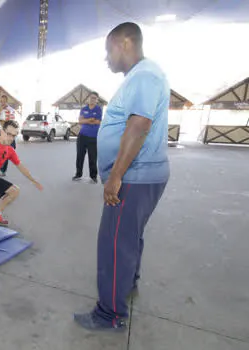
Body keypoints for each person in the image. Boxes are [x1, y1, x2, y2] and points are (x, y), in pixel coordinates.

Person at [73, 22, 170, 331]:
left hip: (134, 176)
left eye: (108, 50)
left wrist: (115, 176)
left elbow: (139, 125)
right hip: (143, 175)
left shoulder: (143, 75)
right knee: (129, 238)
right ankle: (127, 283)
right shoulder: (143, 76)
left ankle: (109, 314)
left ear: (123, 44)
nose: (106, 58)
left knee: (114, 243)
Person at [72, 91, 102, 183]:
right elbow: (80, 121)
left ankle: (93, 176)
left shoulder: (98, 109)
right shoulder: (83, 109)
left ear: (97, 100)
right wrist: (90, 120)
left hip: (93, 137)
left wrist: (85, 120)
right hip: (82, 136)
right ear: (88, 99)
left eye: (94, 98)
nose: (92, 99)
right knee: (80, 156)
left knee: (92, 157)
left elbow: (98, 122)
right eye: (91, 97)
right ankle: (78, 174)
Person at [0, 95, 17, 176]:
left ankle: (3, 170)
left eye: (4, 101)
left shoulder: (11, 110)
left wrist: (2, 121)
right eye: (1, 101)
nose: (2, 102)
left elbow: (11, 122)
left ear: (6, 101)